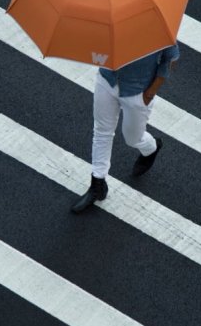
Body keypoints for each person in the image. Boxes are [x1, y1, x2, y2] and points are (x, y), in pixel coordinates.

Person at [71, 43, 180, 213]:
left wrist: (150, 92)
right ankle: (97, 185)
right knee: (102, 131)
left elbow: (171, 58)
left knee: (132, 138)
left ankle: (151, 148)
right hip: (107, 80)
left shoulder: (157, 30)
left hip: (138, 91)